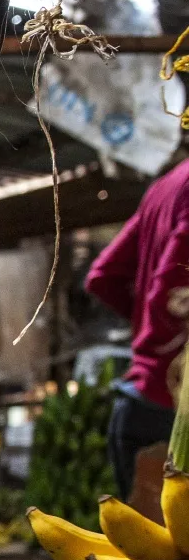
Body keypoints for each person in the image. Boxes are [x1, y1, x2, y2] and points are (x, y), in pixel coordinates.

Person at [84, 157, 189, 497]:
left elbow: (103, 277)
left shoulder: (165, 186)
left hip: (139, 405)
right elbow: (170, 296)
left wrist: (148, 337)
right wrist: (165, 348)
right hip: (172, 418)